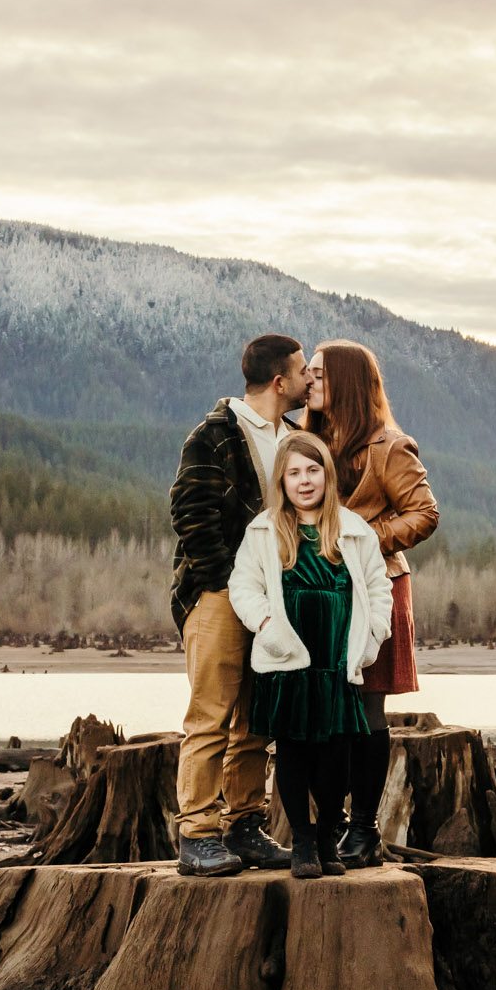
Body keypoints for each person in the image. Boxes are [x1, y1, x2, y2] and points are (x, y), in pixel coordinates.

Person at [169, 333, 310, 877]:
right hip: (219, 597)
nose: (309, 380)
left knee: (256, 719)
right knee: (210, 715)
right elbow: (191, 514)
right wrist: (228, 585)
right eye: (303, 371)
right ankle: (198, 834)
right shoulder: (213, 436)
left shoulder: (295, 438)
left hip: (276, 601)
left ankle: (244, 825)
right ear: (280, 381)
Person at [228, 430, 392, 878]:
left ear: (327, 475)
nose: (304, 481)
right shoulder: (264, 531)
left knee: (336, 755)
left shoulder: (353, 531)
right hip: (289, 659)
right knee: (295, 750)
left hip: (336, 660)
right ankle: (301, 840)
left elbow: (379, 588)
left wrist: (374, 633)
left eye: (313, 471)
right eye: (294, 473)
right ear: (281, 481)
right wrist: (266, 624)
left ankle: (326, 838)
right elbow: (243, 586)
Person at [302, 339, 437, 867]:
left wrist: (360, 536)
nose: (308, 382)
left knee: (366, 710)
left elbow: (425, 513)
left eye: (319, 374)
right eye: (307, 373)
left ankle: (363, 832)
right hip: (317, 591)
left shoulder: (390, 446)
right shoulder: (307, 441)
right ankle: (329, 828)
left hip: (377, 588)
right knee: (324, 712)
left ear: (347, 383)